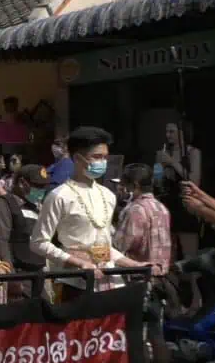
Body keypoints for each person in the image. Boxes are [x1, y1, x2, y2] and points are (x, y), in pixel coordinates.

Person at [30, 127, 162, 303]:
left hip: (112, 284)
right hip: (78, 285)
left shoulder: (107, 195)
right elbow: (38, 242)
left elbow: (105, 250)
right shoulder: (59, 196)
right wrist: (78, 262)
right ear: (77, 158)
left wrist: (136, 266)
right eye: (97, 157)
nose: (103, 162)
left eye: (105, 157)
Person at [113, 165, 174, 363]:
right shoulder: (162, 208)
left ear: (134, 186)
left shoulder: (136, 210)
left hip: (138, 279)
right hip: (160, 278)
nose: (123, 189)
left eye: (126, 185)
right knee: (157, 337)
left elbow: (121, 245)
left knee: (136, 337)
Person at [0, 164, 50, 300]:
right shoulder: (5, 204)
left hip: (38, 276)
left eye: (43, 187)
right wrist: (11, 277)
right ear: (22, 183)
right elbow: (1, 241)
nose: (41, 191)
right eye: (38, 186)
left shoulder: (36, 208)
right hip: (19, 278)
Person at [158, 121, 201, 260]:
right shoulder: (165, 152)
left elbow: (194, 181)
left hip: (186, 204)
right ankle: (173, 280)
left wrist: (172, 163)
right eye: (166, 132)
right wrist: (160, 169)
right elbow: (159, 181)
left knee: (189, 253)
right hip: (167, 203)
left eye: (171, 131)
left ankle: (193, 281)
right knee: (169, 253)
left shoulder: (193, 152)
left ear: (182, 133)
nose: (167, 135)